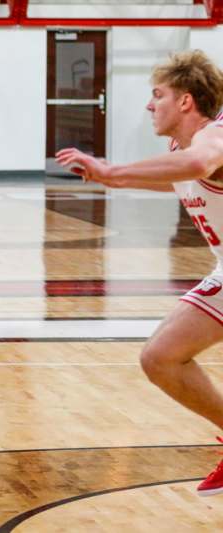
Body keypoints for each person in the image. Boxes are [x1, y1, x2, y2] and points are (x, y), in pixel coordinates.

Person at [56, 50, 223, 496]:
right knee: (160, 357)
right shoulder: (182, 148)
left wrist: (113, 169)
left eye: (158, 95)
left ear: (186, 101)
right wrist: (115, 179)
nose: (151, 105)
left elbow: (196, 167)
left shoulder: (214, 138)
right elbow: (179, 176)